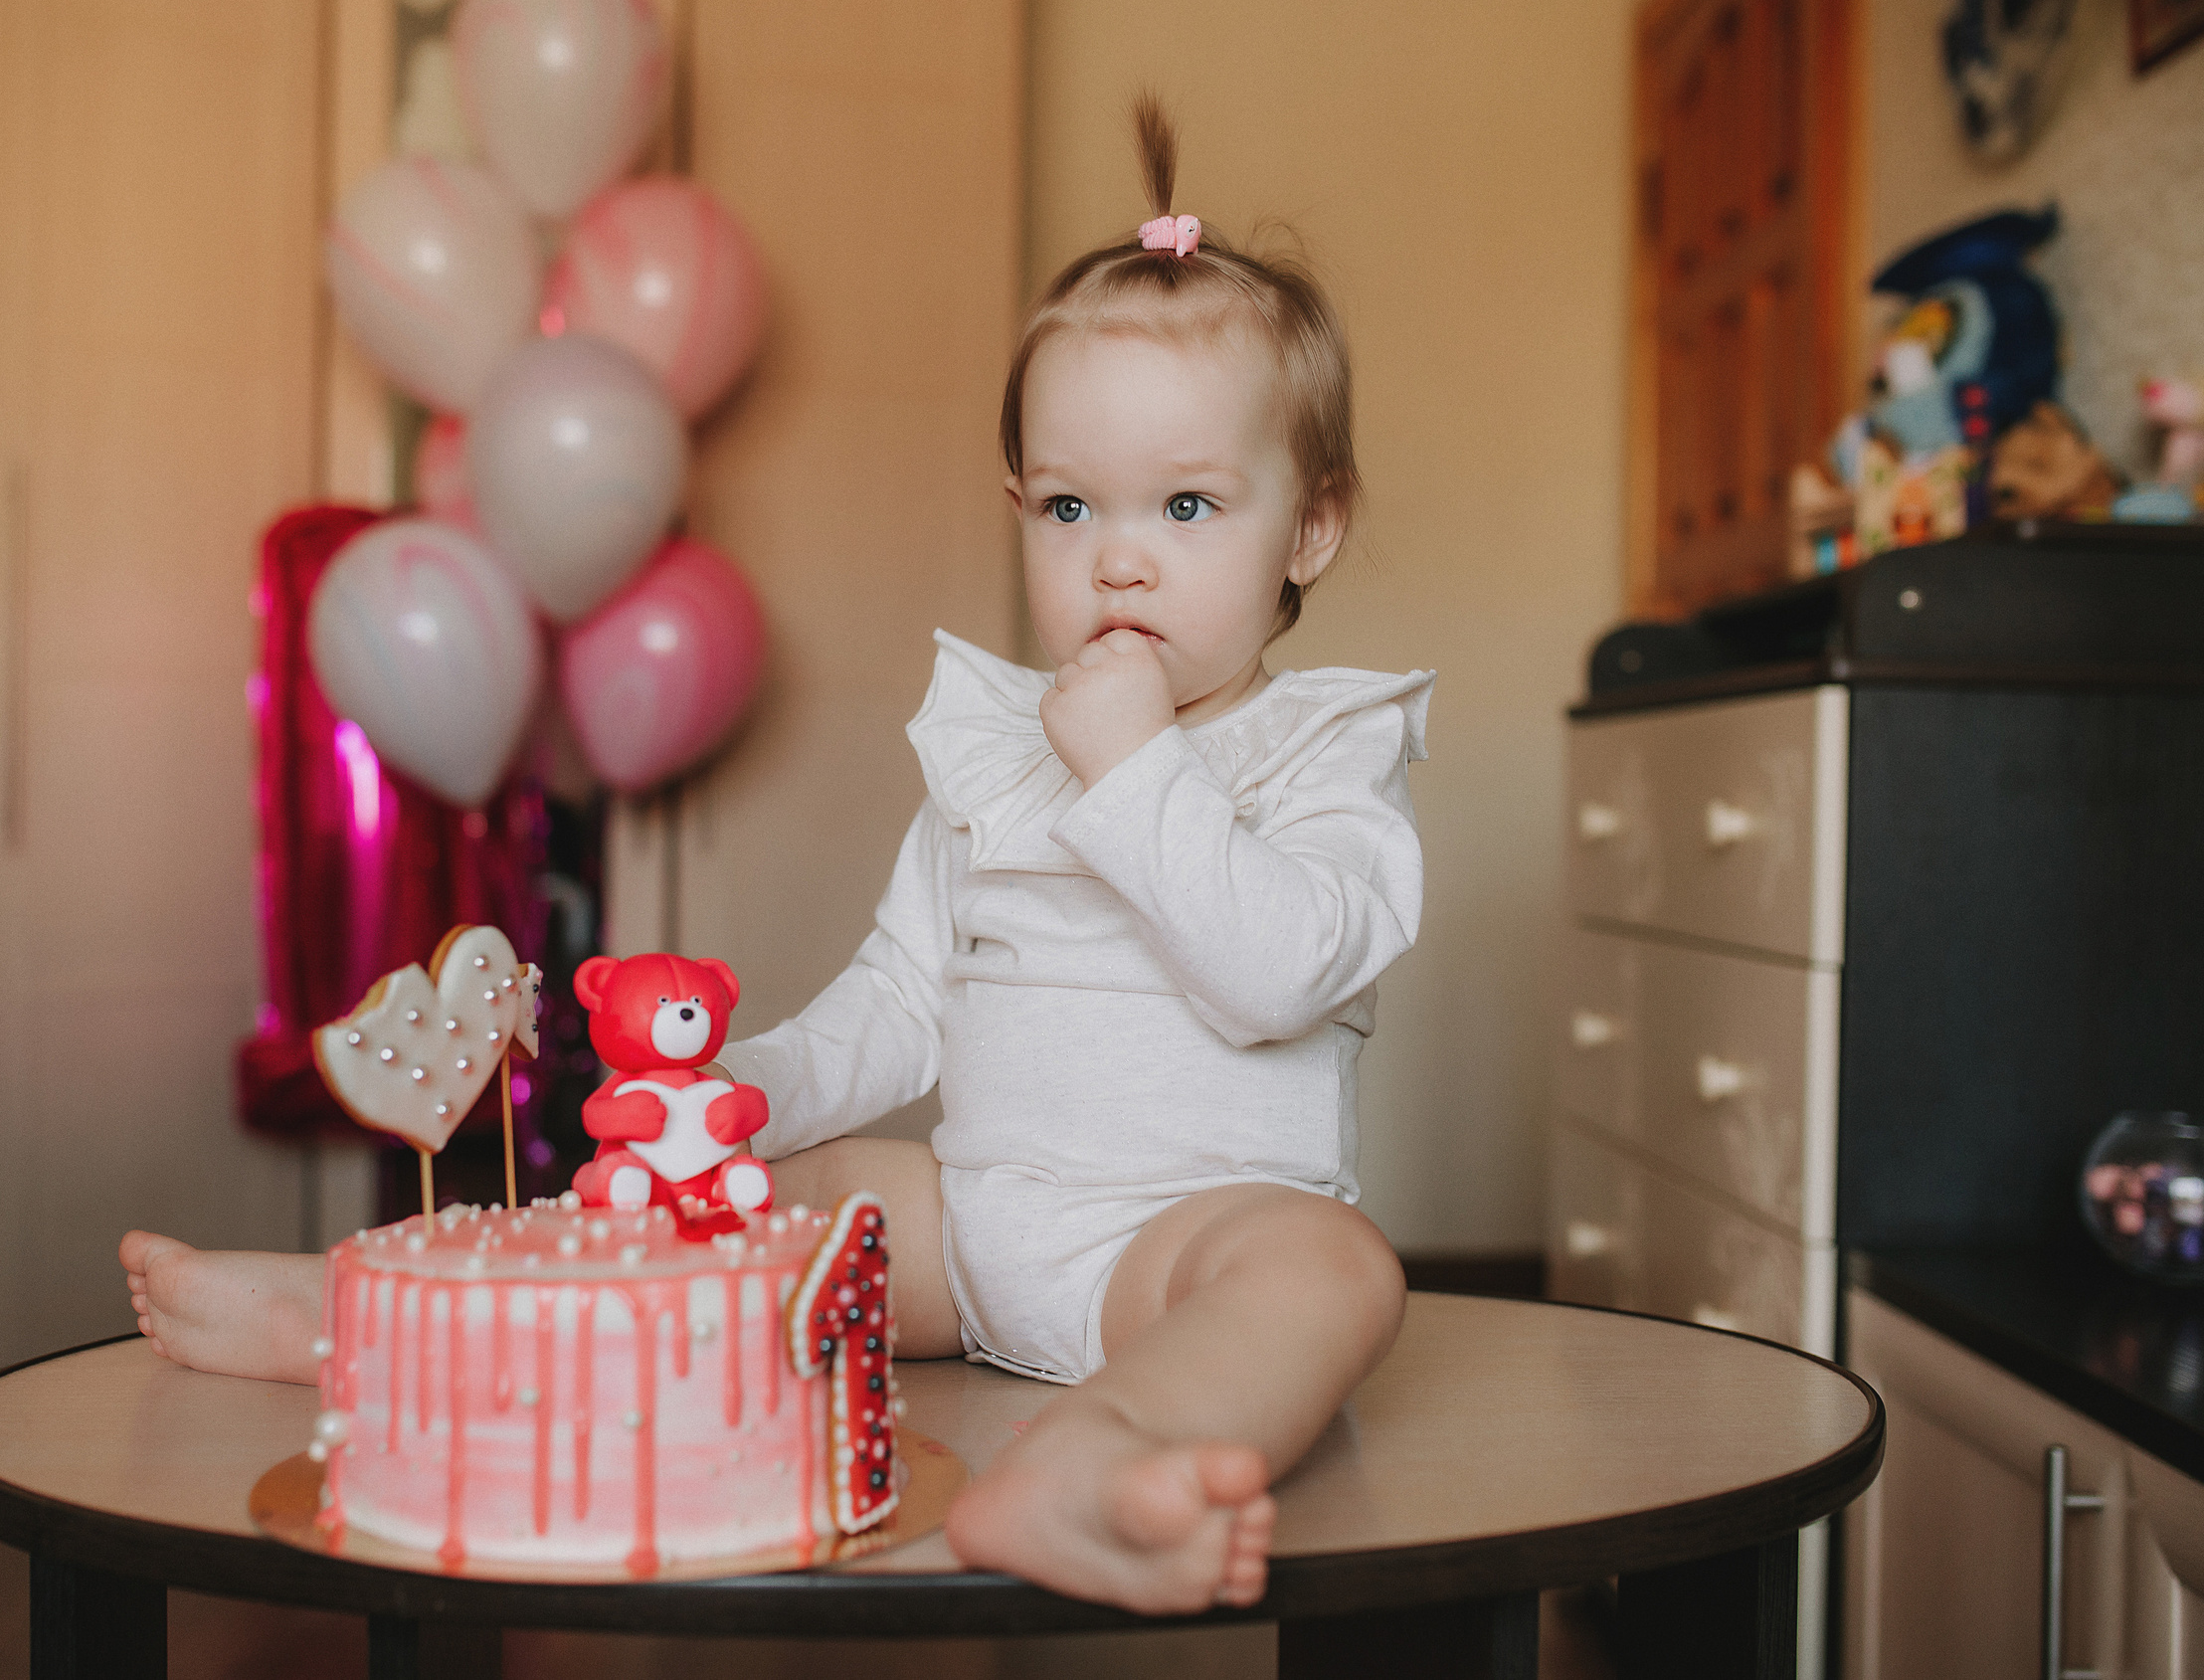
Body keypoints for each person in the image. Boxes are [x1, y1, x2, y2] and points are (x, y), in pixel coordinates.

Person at [123, 95, 1426, 1616]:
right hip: (974, 1221)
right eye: (1070, 506)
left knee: (1335, 1273)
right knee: (735, 1199)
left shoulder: (1331, 750)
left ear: (1310, 531)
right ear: (1019, 511)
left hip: (1190, 1245)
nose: (1118, 557)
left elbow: (1278, 971)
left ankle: (1097, 1461)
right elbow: (902, 994)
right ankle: (366, 1308)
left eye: (1188, 506)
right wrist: (737, 1098)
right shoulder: (1002, 748)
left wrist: (1138, 767)